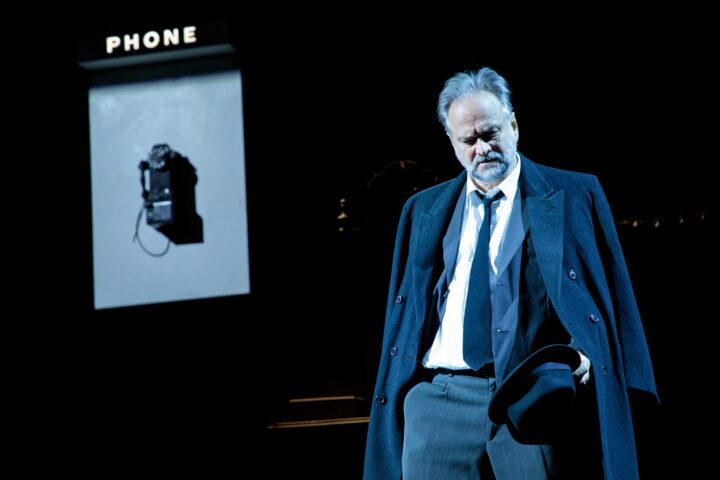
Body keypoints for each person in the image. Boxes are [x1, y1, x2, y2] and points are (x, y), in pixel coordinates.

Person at [363, 67, 658, 479]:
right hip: (441, 403)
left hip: (532, 397)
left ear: (514, 125)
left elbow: (609, 294)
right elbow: (406, 313)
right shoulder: (423, 210)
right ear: (451, 142)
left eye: (491, 133)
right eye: (468, 140)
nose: (481, 148)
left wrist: (580, 356)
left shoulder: (574, 194)